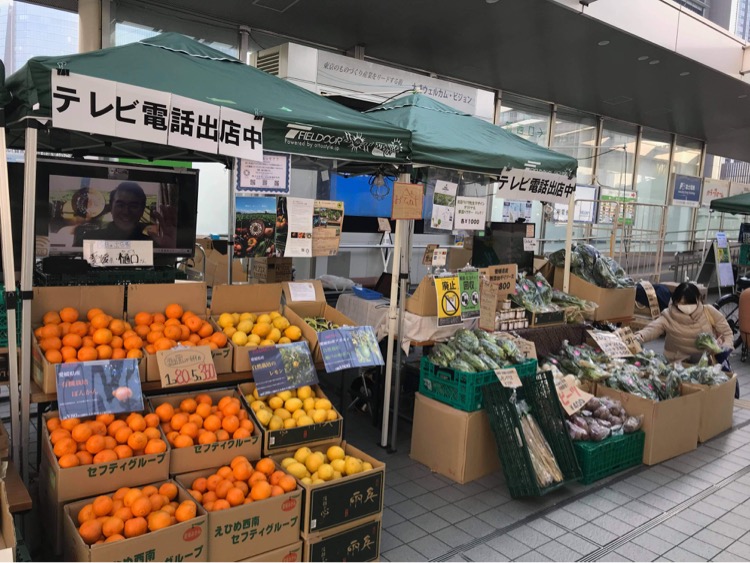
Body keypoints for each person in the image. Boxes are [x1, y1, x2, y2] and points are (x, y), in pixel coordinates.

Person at [635, 282, 733, 364]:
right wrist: (638, 337)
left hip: (707, 364)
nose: (687, 306)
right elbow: (653, 328)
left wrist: (723, 350)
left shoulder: (708, 311)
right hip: (677, 365)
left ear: (698, 299)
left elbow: (726, 332)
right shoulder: (668, 315)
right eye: (683, 303)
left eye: (691, 303)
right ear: (675, 302)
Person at [74, 182, 176, 248]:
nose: (126, 212)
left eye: (133, 206)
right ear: (111, 208)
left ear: (142, 209)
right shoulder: (88, 241)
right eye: (120, 205)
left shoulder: (154, 245)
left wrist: (169, 250)